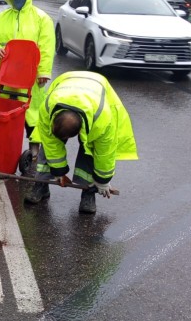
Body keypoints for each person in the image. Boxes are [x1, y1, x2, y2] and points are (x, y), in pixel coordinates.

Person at [24, 71, 138, 214]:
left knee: (90, 150)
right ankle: (42, 183)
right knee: (48, 145)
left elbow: (105, 154)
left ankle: (89, 192)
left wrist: (102, 181)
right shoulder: (47, 108)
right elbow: (51, 144)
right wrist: (59, 172)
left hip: (98, 88)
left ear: (80, 131)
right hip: (67, 81)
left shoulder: (102, 120)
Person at [0, 0, 55, 166]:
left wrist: (43, 72)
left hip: (30, 76)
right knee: (6, 111)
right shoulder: (1, 18)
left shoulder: (41, 19)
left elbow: (47, 47)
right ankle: (5, 147)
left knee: (32, 114)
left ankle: (34, 151)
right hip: (5, 75)